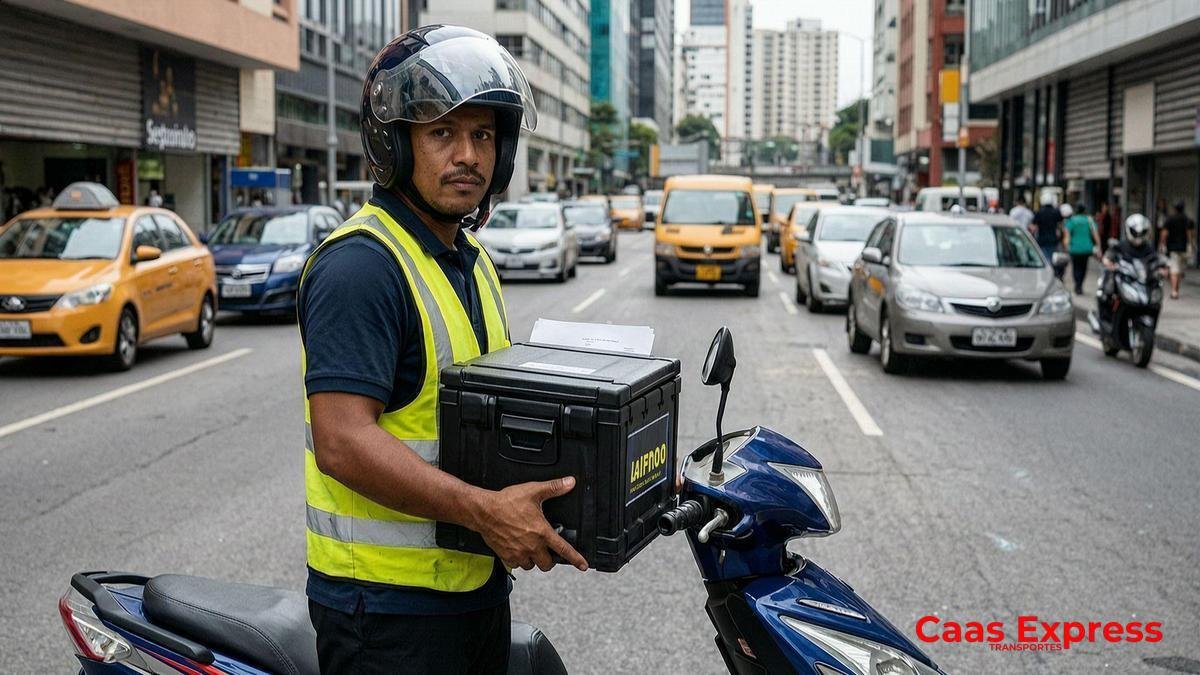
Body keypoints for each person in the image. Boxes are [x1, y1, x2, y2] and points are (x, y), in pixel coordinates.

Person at [298, 26, 587, 675]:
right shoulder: (362, 267)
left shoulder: (469, 257)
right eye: (441, 133)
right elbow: (341, 440)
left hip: (471, 588)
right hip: (386, 612)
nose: (468, 155)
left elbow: (486, 412)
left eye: (483, 135)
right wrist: (483, 509)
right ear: (394, 144)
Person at [1100, 214, 1167, 323]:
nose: (1138, 236)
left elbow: (1157, 260)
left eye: (1141, 233)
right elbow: (1108, 257)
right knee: (1107, 291)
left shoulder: (1149, 249)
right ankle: (1105, 318)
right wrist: (1109, 263)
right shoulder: (1121, 246)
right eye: (1135, 233)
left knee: (1156, 300)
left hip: (1142, 282)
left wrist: (1162, 269)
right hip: (1126, 279)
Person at [1159, 201, 1196, 299]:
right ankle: (1176, 289)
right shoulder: (1188, 220)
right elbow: (1191, 234)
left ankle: (1174, 291)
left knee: (1174, 269)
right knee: (1179, 269)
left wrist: (1162, 244)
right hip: (1184, 248)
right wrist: (1192, 245)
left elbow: (1164, 234)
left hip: (1173, 248)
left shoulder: (1170, 219)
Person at [1064, 202, 1100, 295]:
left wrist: (1067, 246)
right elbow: (1095, 234)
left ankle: (1077, 285)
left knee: (1076, 267)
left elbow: (1067, 235)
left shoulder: (1072, 220)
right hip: (1086, 248)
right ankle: (1080, 285)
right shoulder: (1089, 220)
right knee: (1083, 267)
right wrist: (1099, 246)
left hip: (1074, 248)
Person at [1032, 196, 1065, 279]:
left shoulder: (1039, 213)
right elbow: (1061, 226)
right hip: (1053, 239)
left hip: (1042, 239)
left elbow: (1034, 227)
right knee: (1053, 258)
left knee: (1044, 258)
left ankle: (1047, 274)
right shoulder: (1056, 212)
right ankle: (1052, 274)